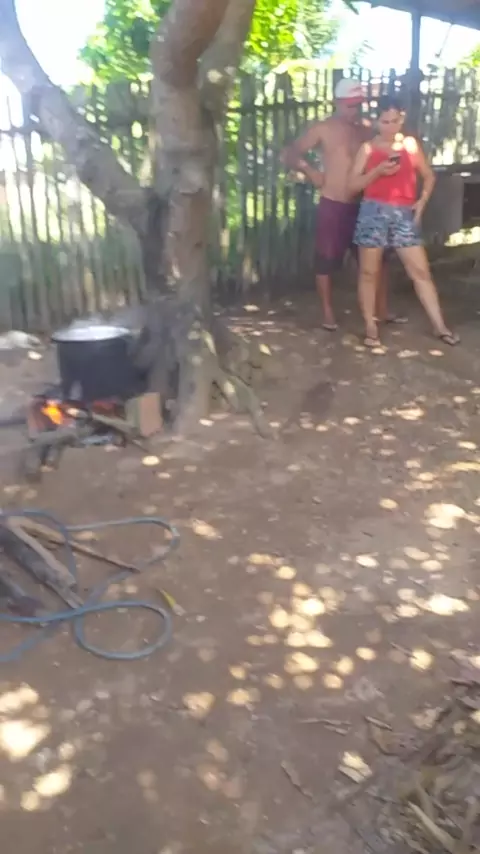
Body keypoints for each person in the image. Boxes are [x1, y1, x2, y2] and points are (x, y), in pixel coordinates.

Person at [282, 78, 398, 331]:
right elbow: (289, 153)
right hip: (334, 203)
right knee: (326, 260)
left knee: (378, 257)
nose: (353, 110)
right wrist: (310, 171)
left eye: (357, 105)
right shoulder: (323, 128)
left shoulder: (367, 129)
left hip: (364, 204)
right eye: (349, 105)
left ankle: (382, 310)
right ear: (337, 102)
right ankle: (327, 313)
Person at [349, 94, 458, 348]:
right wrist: (377, 171)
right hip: (373, 211)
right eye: (385, 122)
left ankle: (440, 326)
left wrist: (421, 203)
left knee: (421, 272)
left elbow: (429, 176)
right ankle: (370, 326)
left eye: (395, 121)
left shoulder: (410, 145)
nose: (390, 127)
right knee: (369, 272)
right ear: (376, 121)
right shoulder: (367, 149)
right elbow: (351, 185)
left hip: (403, 213)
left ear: (402, 118)